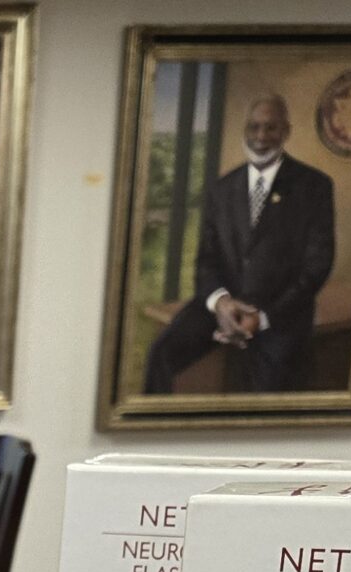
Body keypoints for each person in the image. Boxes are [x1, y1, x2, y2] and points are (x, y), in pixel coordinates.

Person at [142, 93, 336, 395]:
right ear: (245, 131)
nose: (261, 137)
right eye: (254, 127)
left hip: (280, 314)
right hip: (222, 306)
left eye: (270, 128)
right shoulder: (222, 189)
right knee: (161, 354)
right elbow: (206, 260)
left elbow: (317, 266)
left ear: (286, 132)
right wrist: (220, 302)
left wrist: (262, 317)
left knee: (266, 396)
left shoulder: (314, 187)